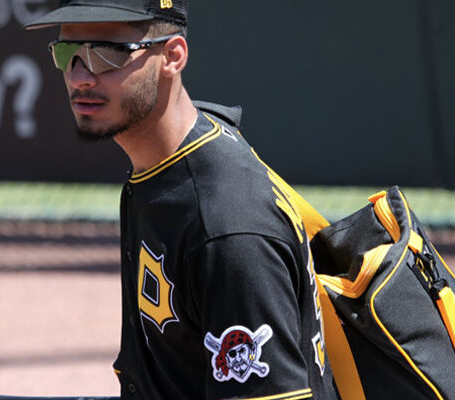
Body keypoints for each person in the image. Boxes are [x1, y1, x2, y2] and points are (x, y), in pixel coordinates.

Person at [25, 1, 338, 399]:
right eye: (68, 53)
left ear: (172, 56)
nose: (80, 76)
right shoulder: (164, 168)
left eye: (106, 53)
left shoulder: (225, 224)